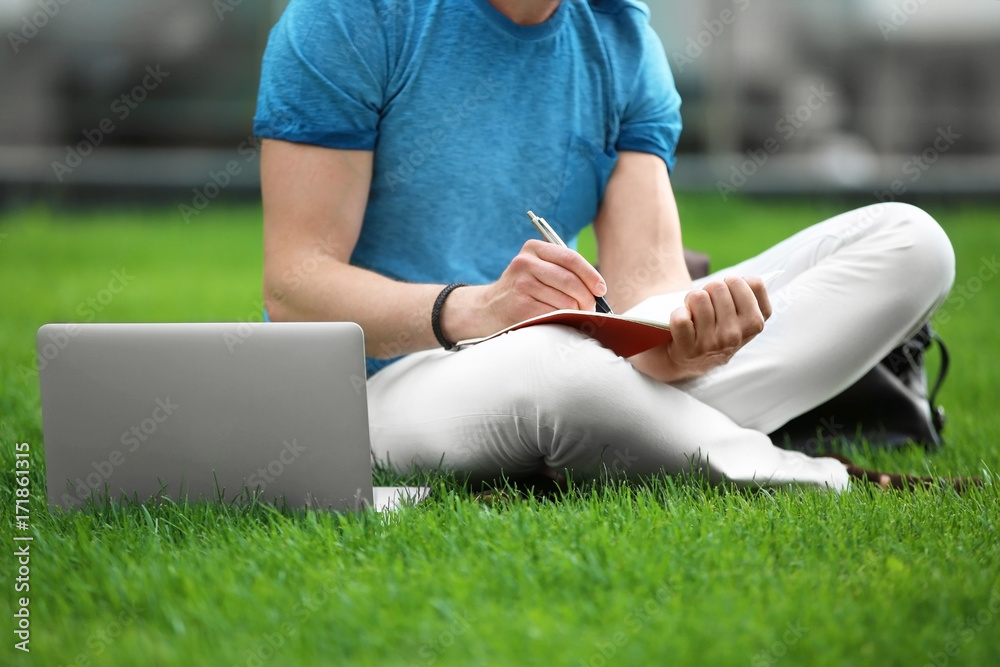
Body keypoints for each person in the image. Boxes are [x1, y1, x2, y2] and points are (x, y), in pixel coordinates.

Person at [253, 0, 955, 491]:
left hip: (566, 368)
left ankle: (601, 442)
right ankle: (804, 473)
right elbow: (294, 287)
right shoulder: (349, 16)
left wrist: (680, 342)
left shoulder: (623, 36)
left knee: (910, 240)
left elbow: (650, 290)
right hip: (379, 385)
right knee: (557, 365)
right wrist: (475, 309)